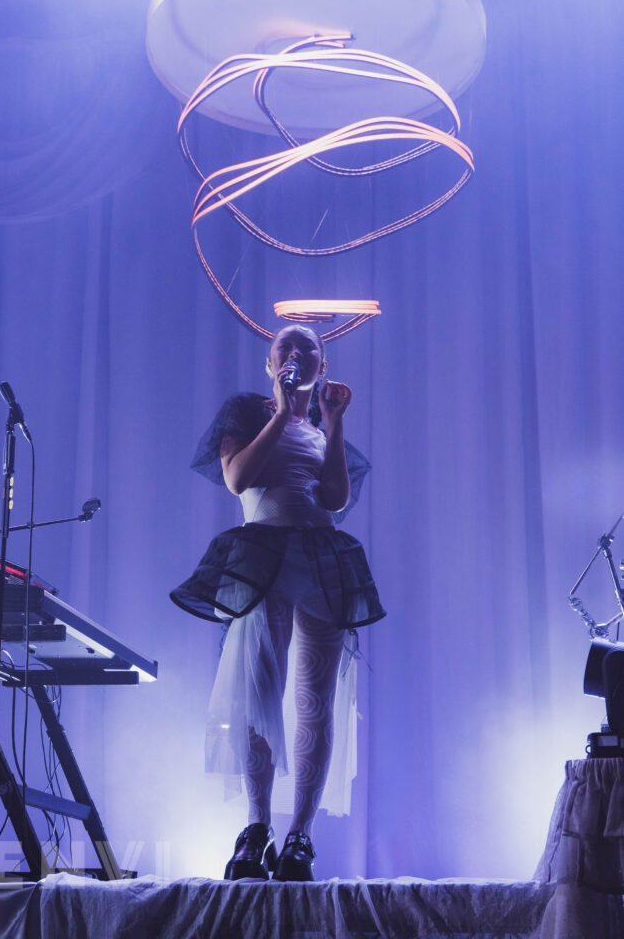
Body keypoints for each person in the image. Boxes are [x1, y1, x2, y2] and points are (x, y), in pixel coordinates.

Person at [171, 324, 384, 881]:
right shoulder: (247, 412)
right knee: (260, 690)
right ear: (271, 365)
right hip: (263, 554)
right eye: (284, 348)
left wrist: (332, 425)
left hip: (320, 558)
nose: (294, 353)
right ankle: (257, 826)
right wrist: (281, 413)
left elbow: (335, 498)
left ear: (324, 364)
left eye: (306, 348)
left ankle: (300, 838)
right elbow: (239, 478)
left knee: (315, 699)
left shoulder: (321, 426)